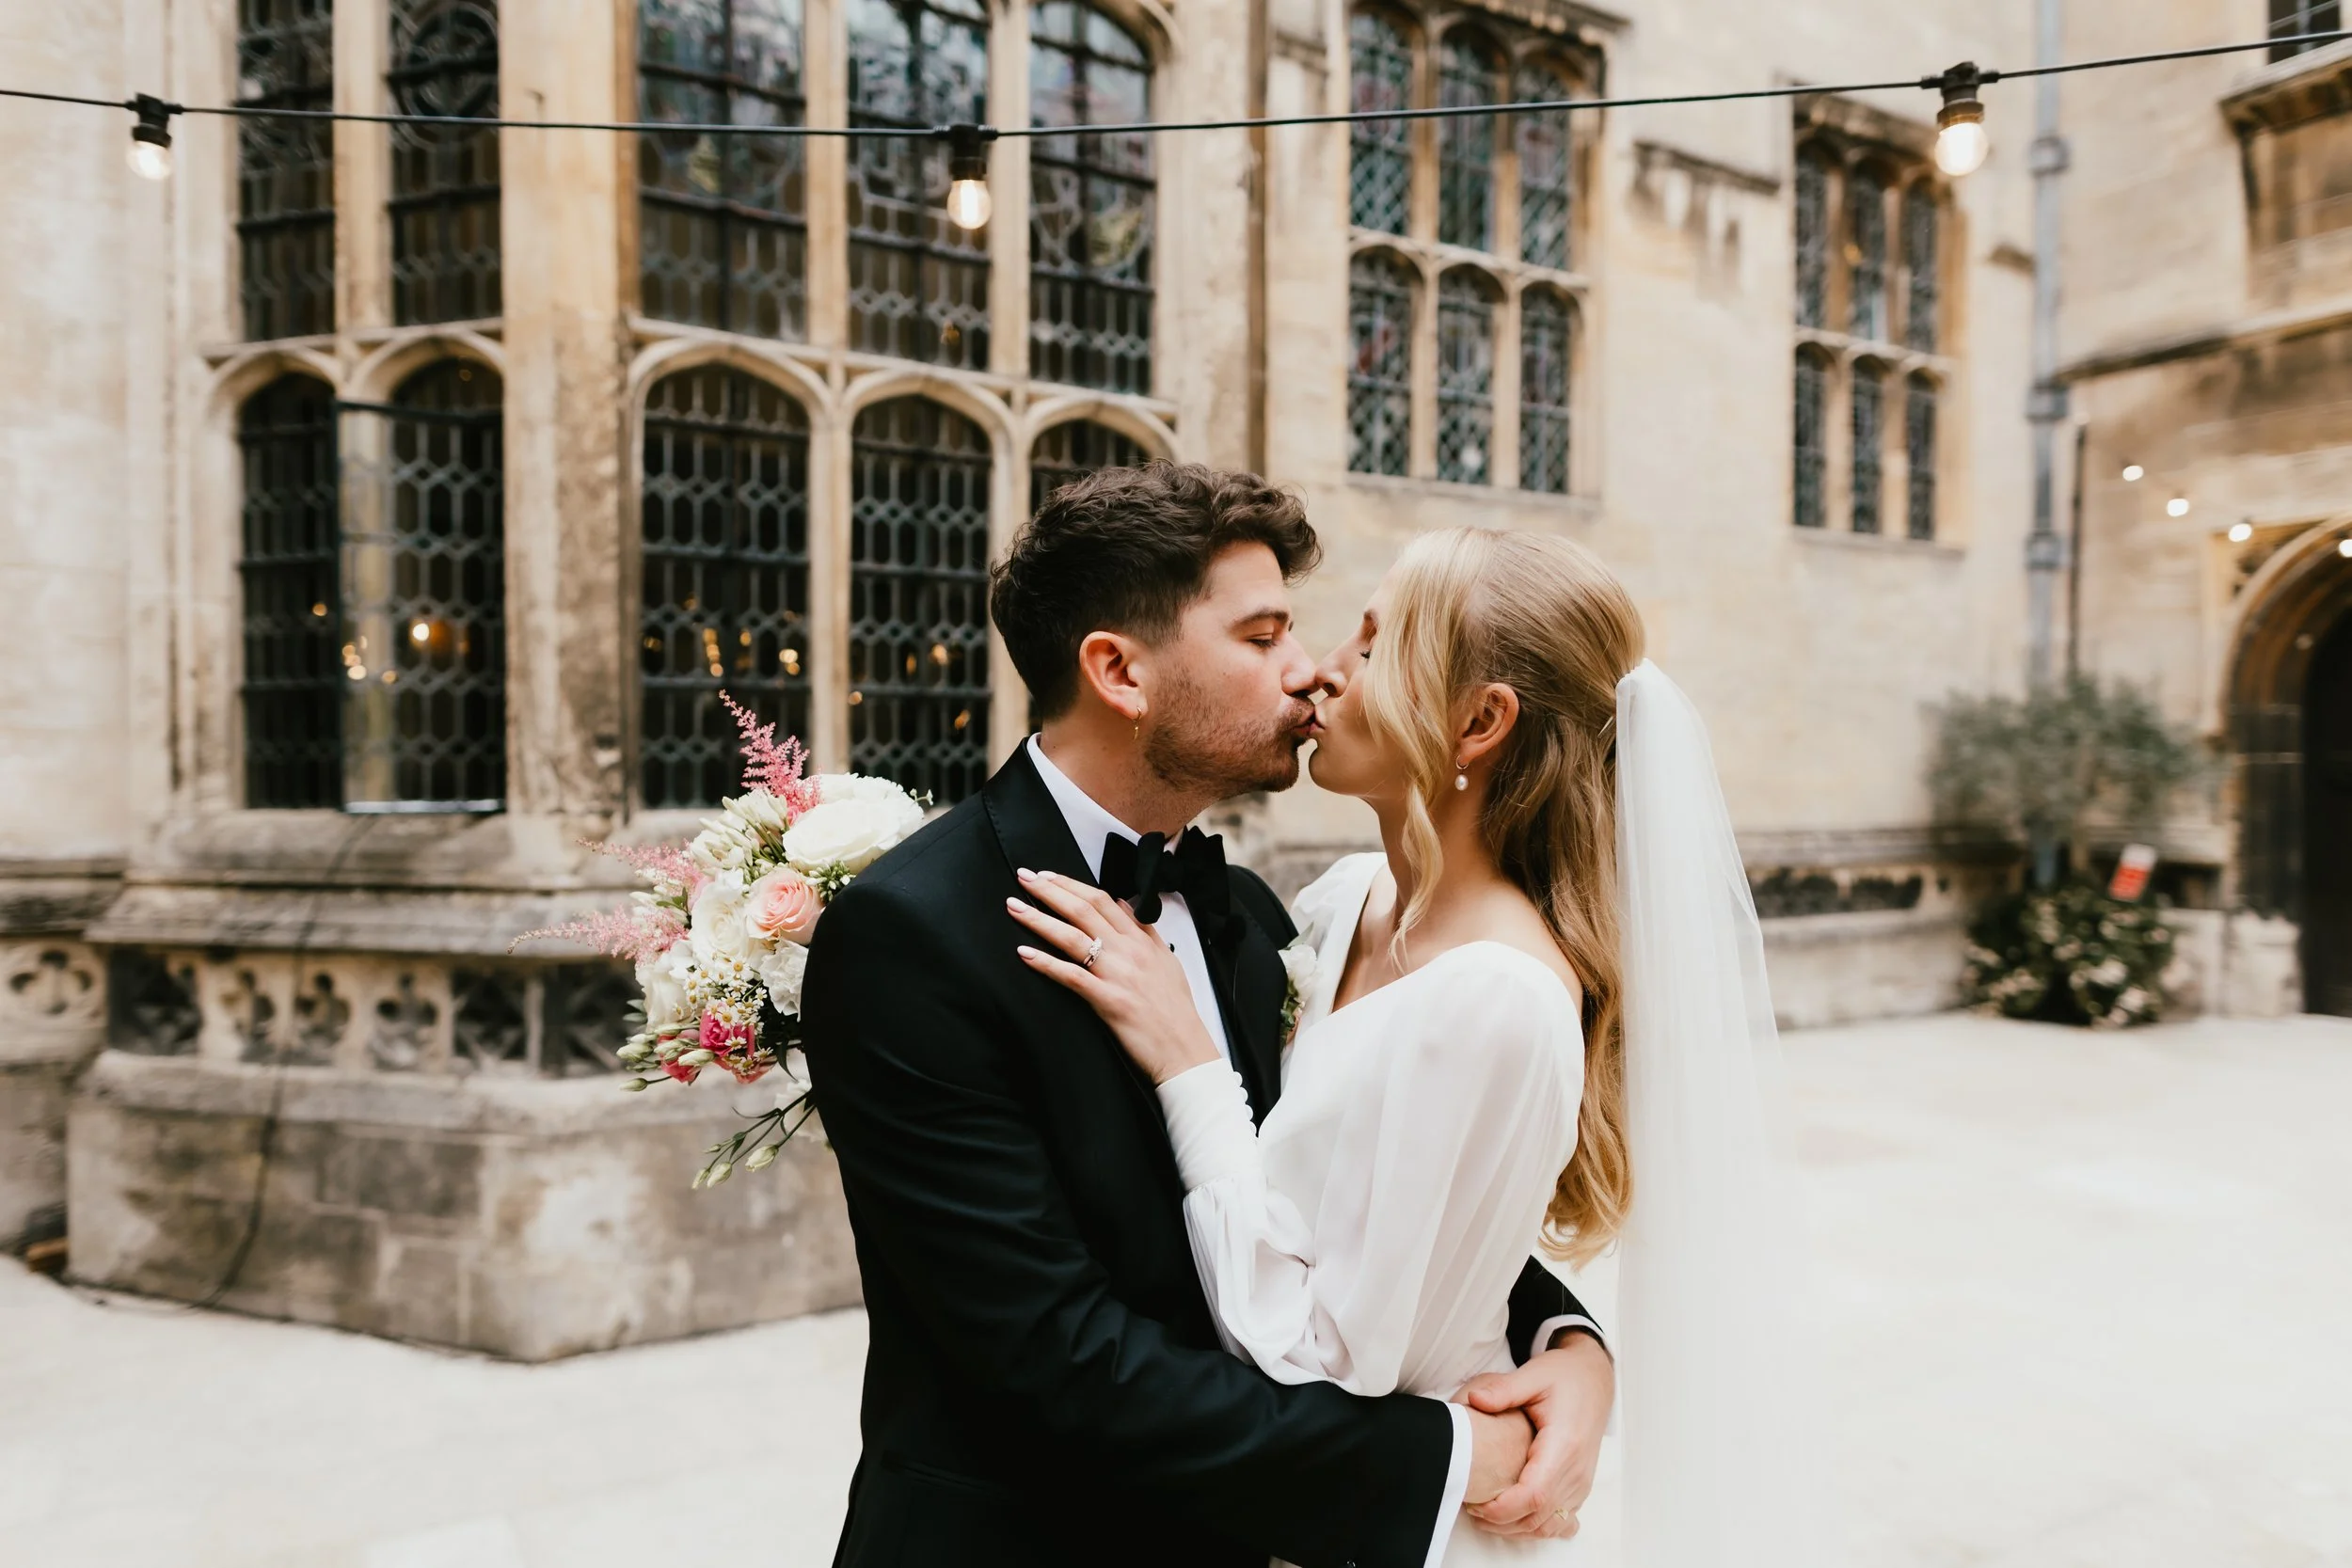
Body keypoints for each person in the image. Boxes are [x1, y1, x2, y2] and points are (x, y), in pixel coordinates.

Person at [800, 467, 1619, 1568]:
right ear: (1120, 670)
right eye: (1263, 635)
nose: (1310, 673)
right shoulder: (912, 934)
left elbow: (1357, 1186)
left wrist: (1562, 1337)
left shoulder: (1256, 914)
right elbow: (1057, 1357)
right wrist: (1440, 1458)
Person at [1007, 526, 1811, 1567]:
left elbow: (1323, 1353)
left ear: (1478, 722)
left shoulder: (1496, 996)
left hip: (1394, 1527)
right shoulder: (1346, 905)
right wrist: (1568, 1340)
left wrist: (1188, 1063)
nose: (1320, 671)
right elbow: (1374, 1212)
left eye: (1376, 646)